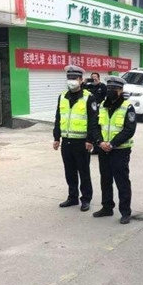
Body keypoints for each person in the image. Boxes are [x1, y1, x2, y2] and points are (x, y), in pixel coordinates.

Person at [53, 65, 98, 212]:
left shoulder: (88, 97)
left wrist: (90, 140)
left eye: (74, 78)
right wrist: (56, 137)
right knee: (69, 171)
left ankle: (86, 199)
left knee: (83, 171)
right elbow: (58, 117)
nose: (71, 81)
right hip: (66, 141)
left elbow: (93, 120)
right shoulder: (62, 96)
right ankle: (72, 197)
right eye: (69, 78)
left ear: (81, 80)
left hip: (82, 142)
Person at [92, 76, 136, 224]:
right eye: (109, 88)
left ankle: (125, 212)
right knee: (105, 179)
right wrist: (100, 142)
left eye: (114, 89)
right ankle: (107, 207)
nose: (110, 91)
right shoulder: (102, 106)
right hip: (103, 149)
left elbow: (129, 130)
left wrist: (112, 144)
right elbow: (95, 126)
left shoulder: (127, 107)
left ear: (121, 90)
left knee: (122, 182)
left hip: (120, 150)